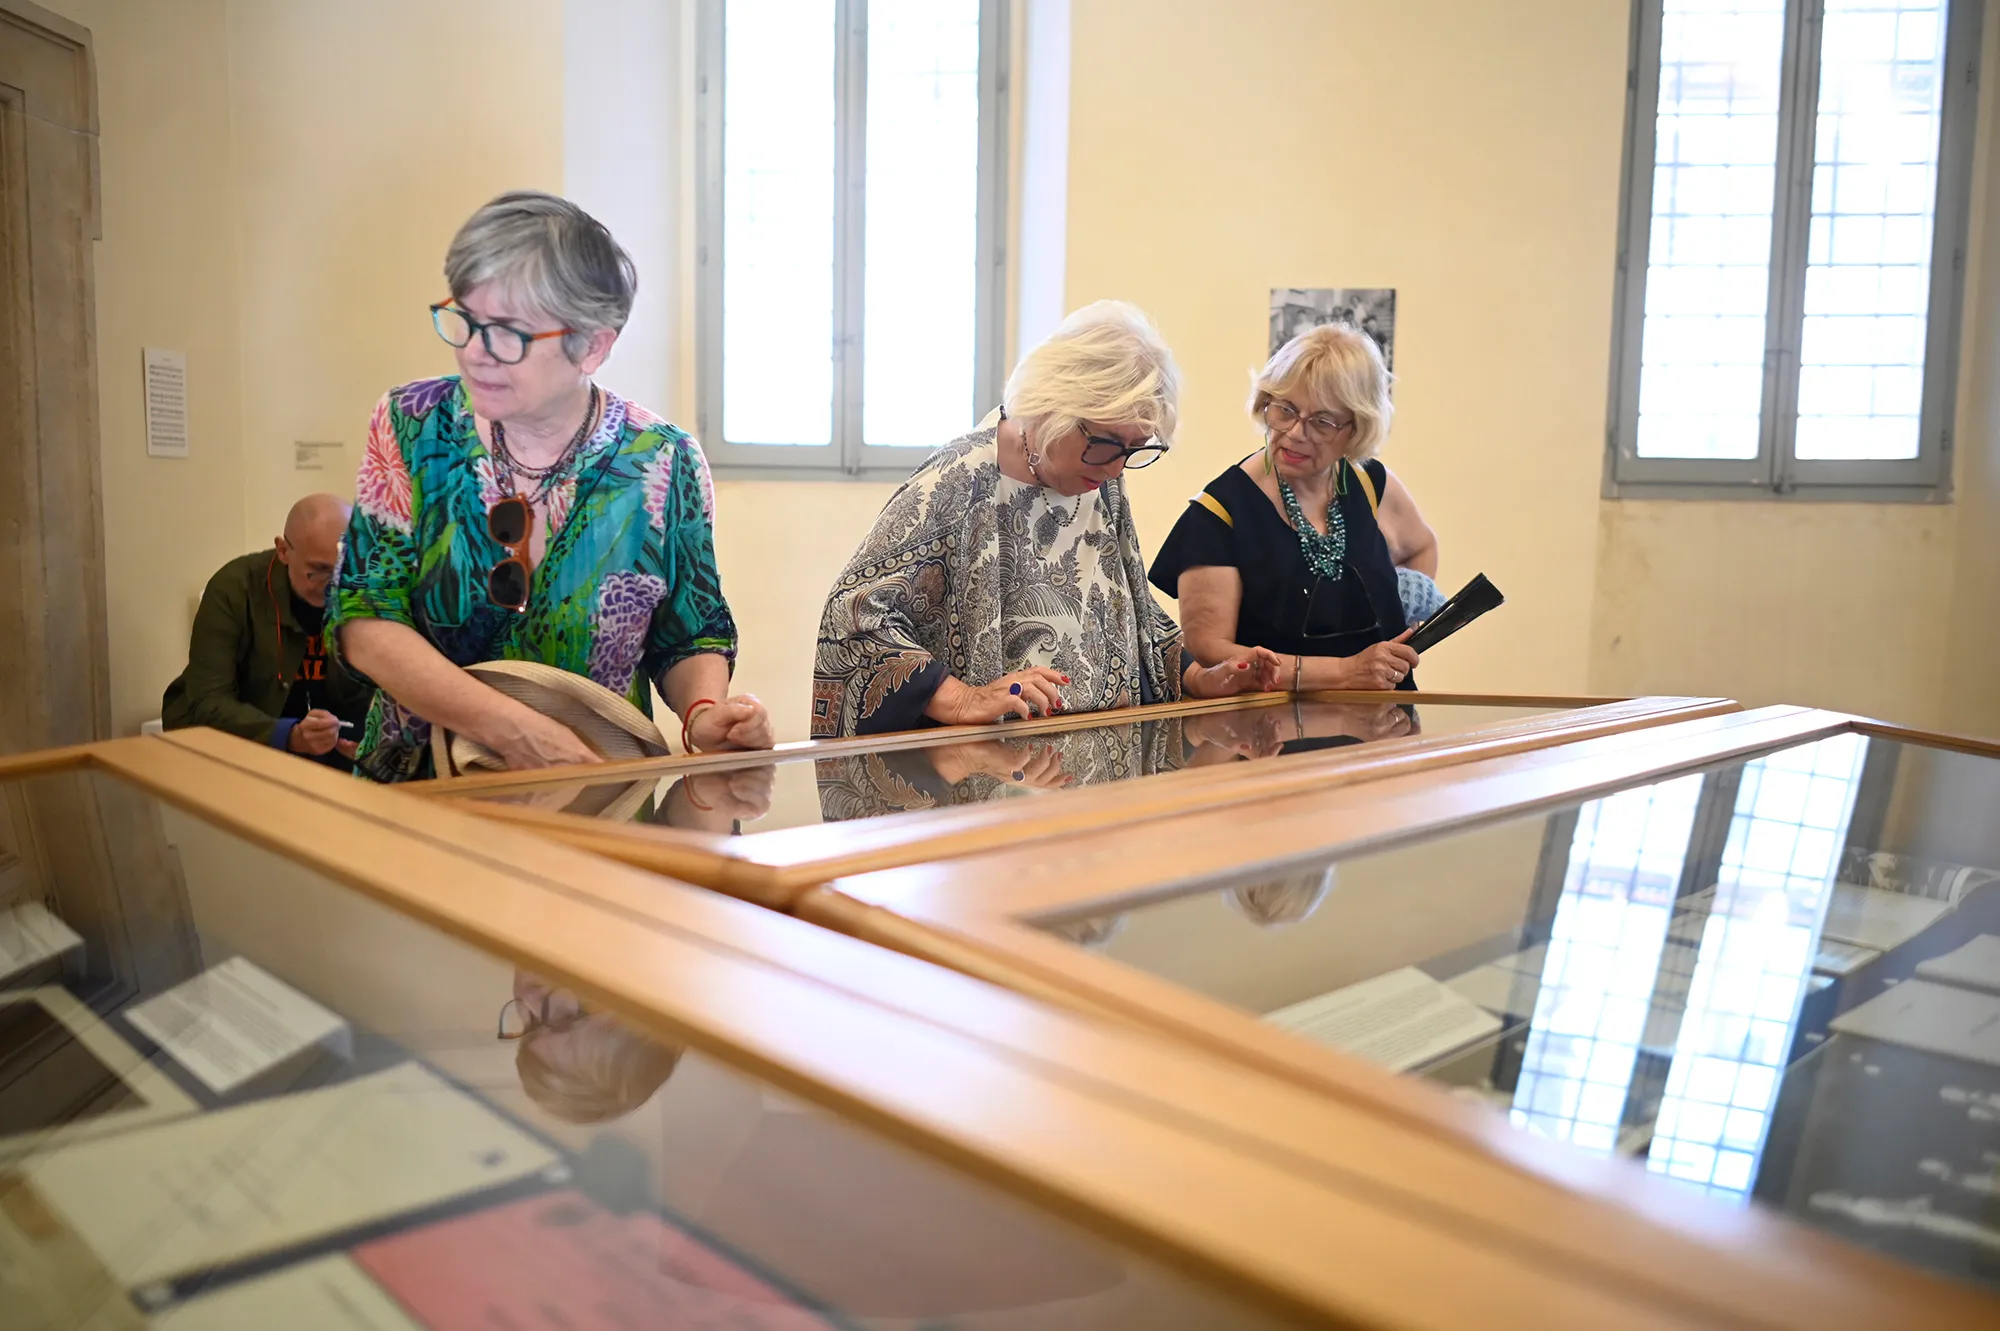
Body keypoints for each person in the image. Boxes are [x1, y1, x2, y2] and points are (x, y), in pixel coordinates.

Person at [329, 191, 772, 782]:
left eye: (509, 334)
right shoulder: (414, 425)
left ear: (592, 344)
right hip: (421, 792)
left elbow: (689, 633)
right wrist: (513, 730)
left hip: (594, 796)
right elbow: (364, 616)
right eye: (465, 321)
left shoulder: (662, 460)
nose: (477, 354)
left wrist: (705, 715)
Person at [812, 301, 1283, 737]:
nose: (1118, 466)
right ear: (1054, 405)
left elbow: (1129, 617)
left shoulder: (1100, 475)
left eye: (1134, 448)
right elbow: (853, 614)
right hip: (1003, 776)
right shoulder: (962, 477)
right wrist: (962, 699)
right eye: (1106, 442)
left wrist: (1200, 677)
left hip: (1098, 776)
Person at [1150, 323, 1440, 693]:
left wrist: (1408, 629)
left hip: (1385, 726)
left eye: (1322, 422)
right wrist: (1346, 672)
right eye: (1285, 410)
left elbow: (1421, 547)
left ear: (1357, 426)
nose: (1296, 433)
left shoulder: (1371, 485)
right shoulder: (1220, 513)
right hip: (1272, 735)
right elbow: (1209, 652)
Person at [161, 494, 373, 769]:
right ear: (283, 550)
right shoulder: (235, 589)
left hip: (333, 750)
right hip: (243, 748)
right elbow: (207, 701)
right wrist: (290, 735)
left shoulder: (363, 588)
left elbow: (377, 688)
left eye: (343, 569)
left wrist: (365, 735)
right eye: (317, 571)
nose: (333, 585)